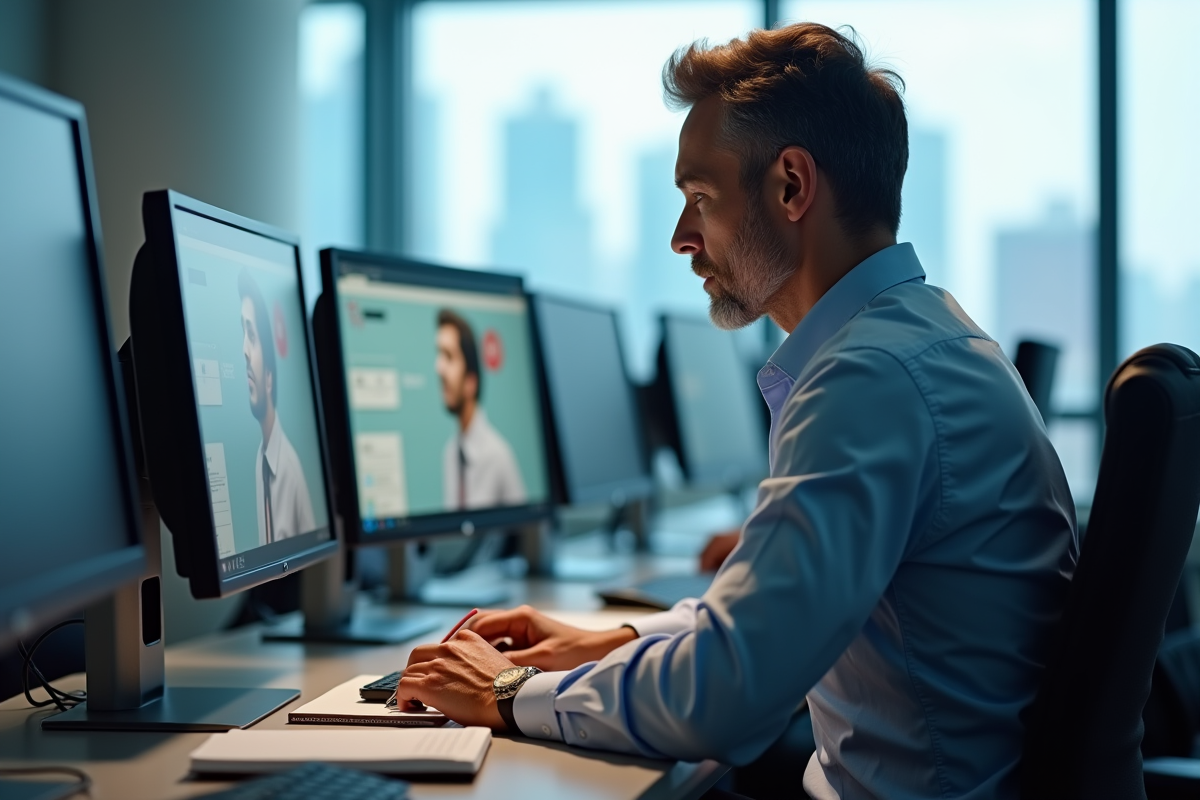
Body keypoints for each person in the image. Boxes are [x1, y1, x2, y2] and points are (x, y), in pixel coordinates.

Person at [395, 23, 1078, 799]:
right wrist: (609, 641)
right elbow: (769, 625)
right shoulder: (917, 340)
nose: (681, 238)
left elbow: (726, 696)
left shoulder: (869, 380)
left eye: (700, 198)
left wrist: (509, 691)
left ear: (791, 186)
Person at [239, 269, 315, 545]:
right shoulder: (261, 461)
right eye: (243, 333)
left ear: (270, 376)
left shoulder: (290, 470)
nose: (244, 350)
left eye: (251, 335)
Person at [435, 308, 526, 510]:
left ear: (471, 381)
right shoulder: (450, 454)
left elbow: (526, 526)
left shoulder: (499, 456)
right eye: (439, 355)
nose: (439, 368)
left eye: (448, 357)